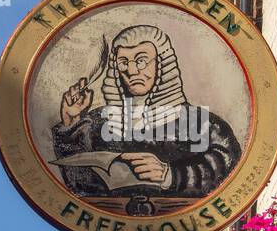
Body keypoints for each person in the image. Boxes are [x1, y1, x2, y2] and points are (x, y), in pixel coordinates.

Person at [51, 24, 241, 197]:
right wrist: (71, 123)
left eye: (141, 61)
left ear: (162, 63)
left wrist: (171, 176)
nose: (132, 71)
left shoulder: (200, 122)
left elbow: (227, 160)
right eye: (123, 63)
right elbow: (79, 185)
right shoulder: (98, 122)